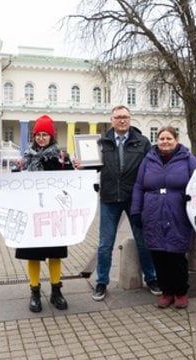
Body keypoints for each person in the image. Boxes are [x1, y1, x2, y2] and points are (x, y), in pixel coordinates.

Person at [74, 105, 160, 301]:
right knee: (105, 244)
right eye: (118, 117)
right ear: (111, 120)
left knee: (143, 241)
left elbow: (153, 166)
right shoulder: (100, 143)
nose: (122, 120)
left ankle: (152, 277)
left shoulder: (142, 142)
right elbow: (93, 166)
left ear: (130, 120)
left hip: (134, 198)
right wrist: (81, 165)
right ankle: (101, 282)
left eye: (126, 117)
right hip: (109, 198)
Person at [130, 126, 196, 309]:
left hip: (178, 211)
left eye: (169, 138)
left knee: (176, 254)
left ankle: (181, 292)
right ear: (157, 141)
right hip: (153, 212)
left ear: (176, 140)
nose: (165, 142)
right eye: (161, 139)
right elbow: (138, 186)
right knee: (158, 254)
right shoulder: (148, 159)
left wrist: (193, 204)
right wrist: (136, 210)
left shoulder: (187, 159)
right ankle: (166, 292)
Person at [18, 114, 73, 312]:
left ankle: (56, 291)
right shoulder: (25, 159)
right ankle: (34, 292)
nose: (41, 138)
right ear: (34, 137)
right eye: (38, 134)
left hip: (54, 214)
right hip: (32, 215)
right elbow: (13, 184)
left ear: (52, 136)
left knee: (54, 254)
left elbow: (74, 183)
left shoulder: (61, 158)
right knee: (33, 255)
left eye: (45, 134)